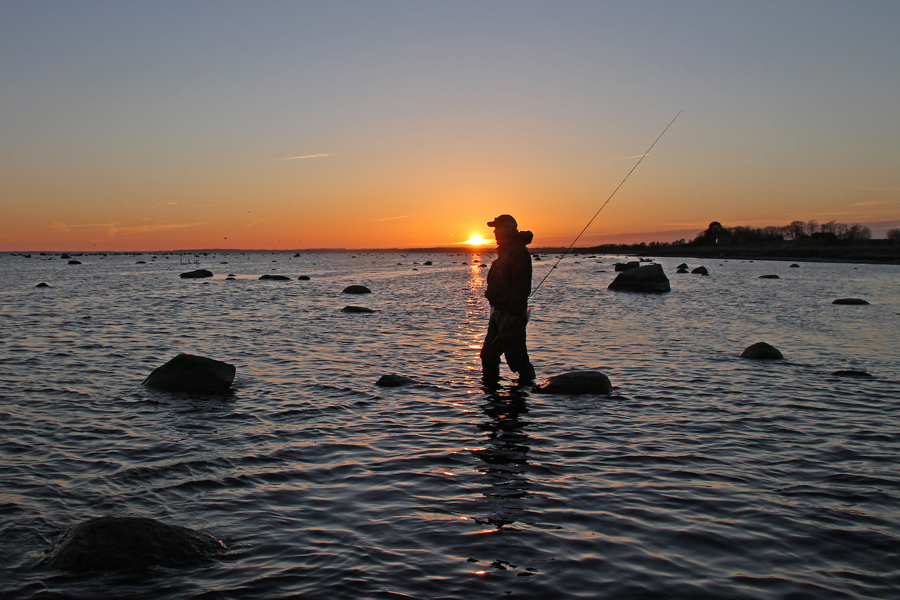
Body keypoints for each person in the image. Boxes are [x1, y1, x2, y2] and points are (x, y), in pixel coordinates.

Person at [480, 214, 536, 382]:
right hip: (497, 314)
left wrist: (512, 314)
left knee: (518, 360)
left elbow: (521, 286)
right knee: (488, 356)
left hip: (511, 315)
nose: (495, 232)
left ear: (509, 229)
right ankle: (491, 398)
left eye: (498, 228)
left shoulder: (518, 252)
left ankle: (525, 396)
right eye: (494, 229)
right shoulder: (504, 252)